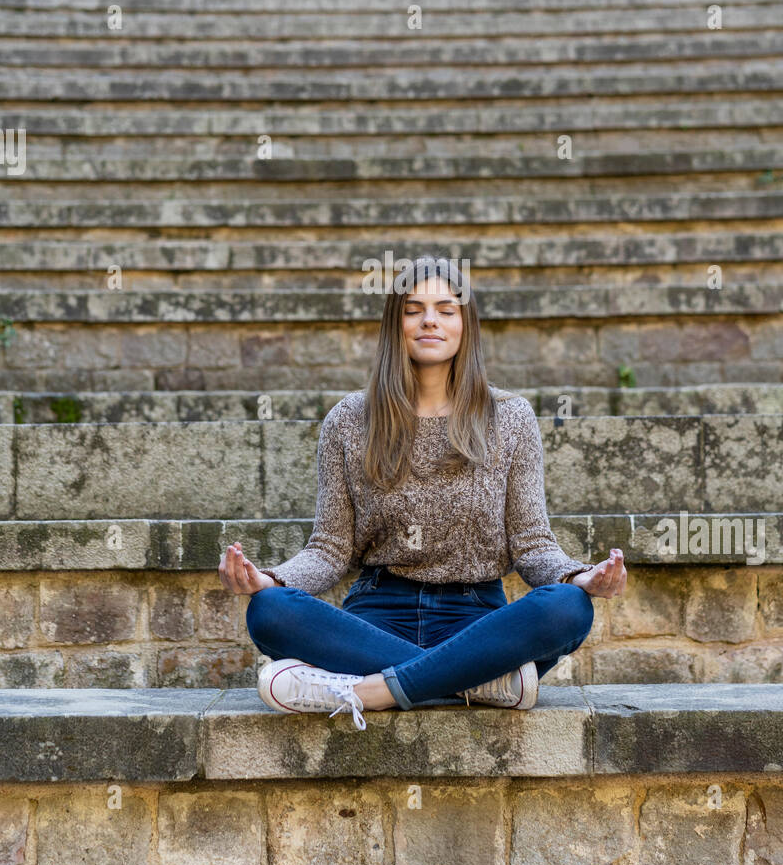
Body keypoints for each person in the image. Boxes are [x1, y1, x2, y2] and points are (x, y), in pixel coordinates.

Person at [219, 256, 627, 729]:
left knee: (567, 608)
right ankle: (475, 683)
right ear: (396, 325)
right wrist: (269, 581)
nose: (429, 319)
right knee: (270, 611)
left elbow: (533, 545)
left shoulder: (510, 418)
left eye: (445, 309)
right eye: (413, 309)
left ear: (465, 325)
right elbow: (330, 549)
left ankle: (369, 691)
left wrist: (580, 578)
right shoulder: (350, 420)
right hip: (375, 616)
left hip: (477, 619)